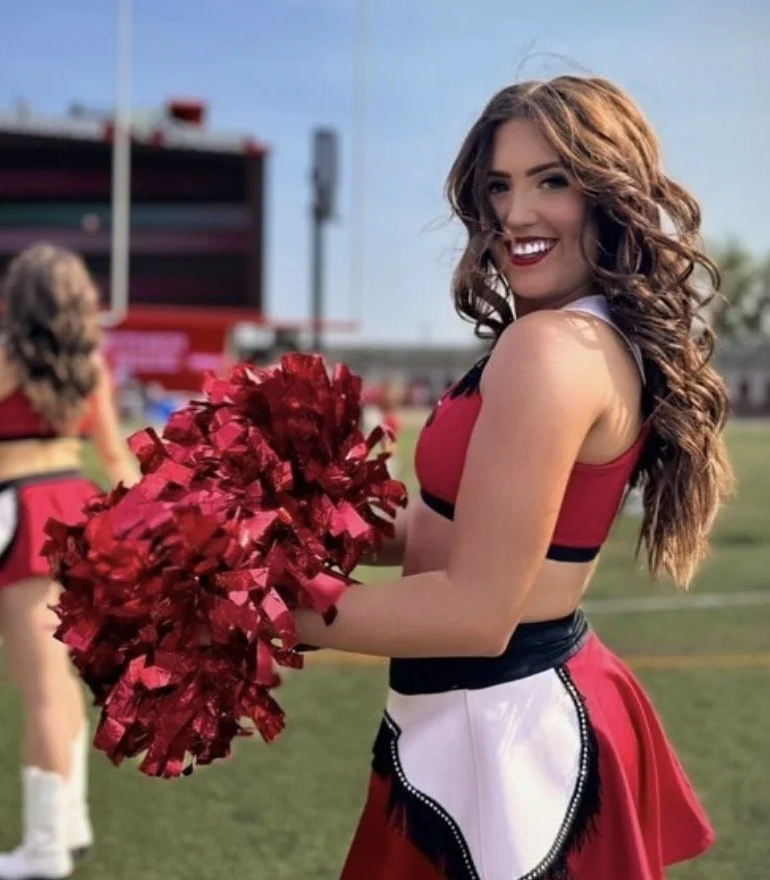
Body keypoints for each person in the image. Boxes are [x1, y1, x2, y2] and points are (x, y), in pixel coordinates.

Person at [293, 76, 733, 879]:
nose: (516, 214)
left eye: (552, 180)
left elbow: (474, 611)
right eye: (500, 185)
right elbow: (448, 529)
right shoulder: (570, 338)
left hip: (499, 732)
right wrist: (277, 535)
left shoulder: (550, 351)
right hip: (486, 716)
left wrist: (259, 616)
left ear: (609, 193)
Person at [0, 243, 140, 880]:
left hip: (22, 518)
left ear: (18, 300)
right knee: (60, 681)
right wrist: (147, 535)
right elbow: (119, 463)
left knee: (42, 689)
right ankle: (69, 820)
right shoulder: (89, 365)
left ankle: (44, 849)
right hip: (83, 514)